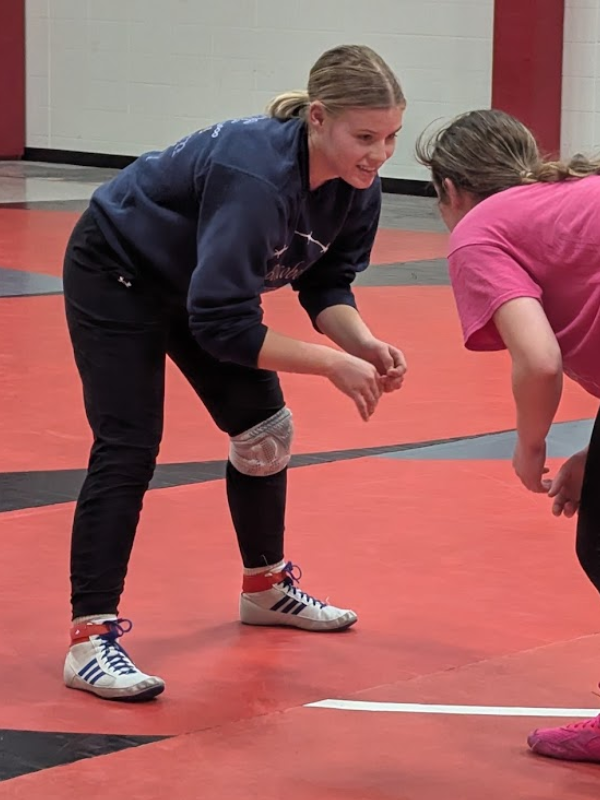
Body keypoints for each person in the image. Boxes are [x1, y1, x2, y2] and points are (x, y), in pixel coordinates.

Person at [62, 44, 407, 702]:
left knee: (264, 431)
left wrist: (362, 342)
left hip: (196, 284)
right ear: (318, 119)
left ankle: (264, 586)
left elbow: (327, 282)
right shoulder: (258, 175)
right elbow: (221, 323)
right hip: (118, 271)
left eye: (390, 137)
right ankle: (90, 637)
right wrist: (332, 364)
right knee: (128, 445)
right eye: (365, 137)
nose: (379, 153)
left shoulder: (358, 184)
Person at [416, 107, 600, 762]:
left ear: (448, 191)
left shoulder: (479, 232)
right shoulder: (568, 195)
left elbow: (540, 358)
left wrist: (531, 443)